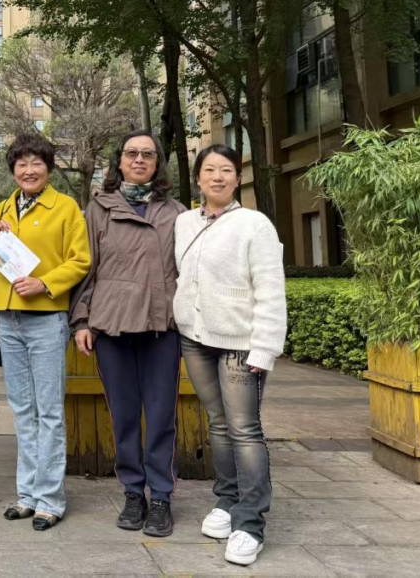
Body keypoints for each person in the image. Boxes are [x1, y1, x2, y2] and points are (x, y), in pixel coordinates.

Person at [173, 144, 286, 567]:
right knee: (218, 424)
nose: (217, 177)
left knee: (244, 429)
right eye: (209, 170)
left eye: (226, 170)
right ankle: (227, 499)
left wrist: (265, 347)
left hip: (240, 342)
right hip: (195, 337)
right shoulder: (184, 222)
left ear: (238, 178)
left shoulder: (255, 224)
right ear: (198, 178)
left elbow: (271, 290)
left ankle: (250, 523)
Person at [70, 130, 187, 537]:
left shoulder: (177, 212)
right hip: (112, 324)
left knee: (161, 415)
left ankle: (162, 496)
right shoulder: (98, 208)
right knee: (123, 416)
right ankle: (133, 492)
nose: (139, 160)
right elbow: (86, 268)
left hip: (161, 326)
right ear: (119, 161)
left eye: (147, 155)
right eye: (131, 153)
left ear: (157, 163)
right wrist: (81, 321)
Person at [0, 133, 91, 531]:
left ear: (49, 167)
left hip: (46, 318)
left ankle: (50, 500)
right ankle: (26, 495)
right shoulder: (3, 207)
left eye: (36, 163)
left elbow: (81, 260)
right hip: (8, 318)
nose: (28, 170)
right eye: (21, 163)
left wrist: (44, 283)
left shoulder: (66, 207)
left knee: (49, 412)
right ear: (13, 169)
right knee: (22, 410)